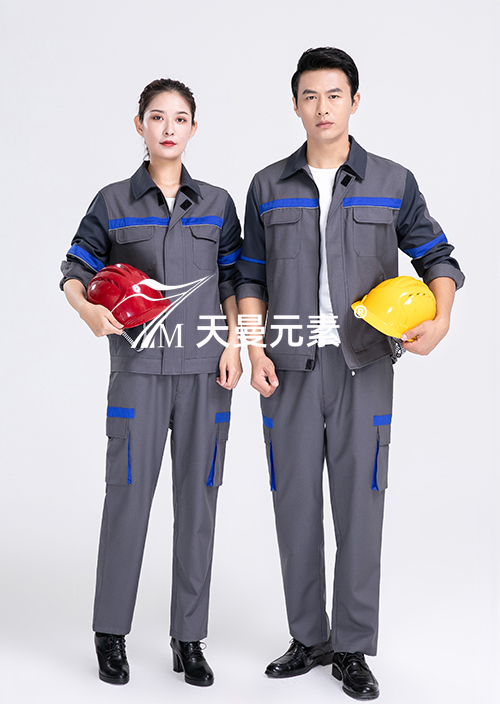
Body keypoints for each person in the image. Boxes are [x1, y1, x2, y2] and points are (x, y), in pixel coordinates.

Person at [235, 47, 463, 701]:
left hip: (365, 365)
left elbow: (437, 255)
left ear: (354, 102)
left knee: (361, 504)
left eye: (334, 95)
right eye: (310, 96)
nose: (322, 107)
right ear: (296, 104)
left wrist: (442, 318)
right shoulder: (267, 186)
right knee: (294, 501)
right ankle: (310, 638)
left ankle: (353, 648)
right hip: (288, 364)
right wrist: (254, 351)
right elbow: (249, 277)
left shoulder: (392, 181)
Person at [61, 78, 242, 687]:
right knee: (127, 500)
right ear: (139, 124)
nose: (169, 127)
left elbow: (235, 281)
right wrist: (86, 310)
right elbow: (76, 266)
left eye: (180, 118)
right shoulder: (113, 201)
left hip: (206, 376)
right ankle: (110, 633)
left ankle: (189, 639)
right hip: (137, 374)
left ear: (194, 128)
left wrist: (236, 345)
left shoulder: (217, 204)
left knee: (198, 505)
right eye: (157, 117)